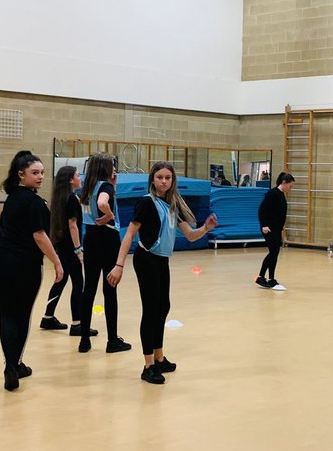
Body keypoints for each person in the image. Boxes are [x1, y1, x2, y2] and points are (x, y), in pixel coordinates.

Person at [108, 161, 219, 384]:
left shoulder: (173, 205)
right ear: (153, 179)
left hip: (161, 261)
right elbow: (129, 234)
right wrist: (119, 265)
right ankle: (148, 365)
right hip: (146, 260)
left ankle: (159, 358)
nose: (164, 181)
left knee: (162, 308)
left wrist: (206, 228)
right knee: (150, 311)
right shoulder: (146, 203)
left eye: (168, 178)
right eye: (160, 177)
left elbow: (190, 236)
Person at [0, 150, 63, 391]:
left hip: (1, 263)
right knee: (21, 315)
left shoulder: (11, 199)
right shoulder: (34, 202)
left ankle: (12, 365)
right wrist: (57, 262)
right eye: (35, 173)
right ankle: (15, 364)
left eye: (42, 173)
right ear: (21, 174)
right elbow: (39, 236)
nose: (40, 177)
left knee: (7, 315)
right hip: (25, 265)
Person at [78, 153, 132, 354]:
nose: (115, 169)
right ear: (105, 168)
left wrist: (113, 187)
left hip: (90, 239)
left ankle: (84, 340)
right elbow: (102, 203)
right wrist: (109, 214)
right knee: (109, 290)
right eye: (112, 165)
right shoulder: (105, 187)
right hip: (107, 240)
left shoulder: (87, 187)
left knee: (89, 289)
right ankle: (112, 340)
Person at [40, 165, 93, 337]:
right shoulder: (71, 199)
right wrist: (78, 249)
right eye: (77, 175)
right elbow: (73, 225)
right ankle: (77, 324)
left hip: (61, 246)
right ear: (71, 179)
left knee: (60, 281)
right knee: (78, 283)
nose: (80, 178)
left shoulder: (60, 198)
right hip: (70, 248)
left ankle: (48, 317)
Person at [256, 172, 295, 290]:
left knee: (274, 253)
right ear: (284, 183)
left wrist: (281, 229)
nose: (290, 189)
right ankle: (263, 277)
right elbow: (262, 210)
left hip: (277, 229)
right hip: (268, 228)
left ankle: (268, 278)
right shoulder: (272, 193)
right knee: (273, 252)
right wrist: (264, 225)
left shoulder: (281, 195)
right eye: (290, 186)